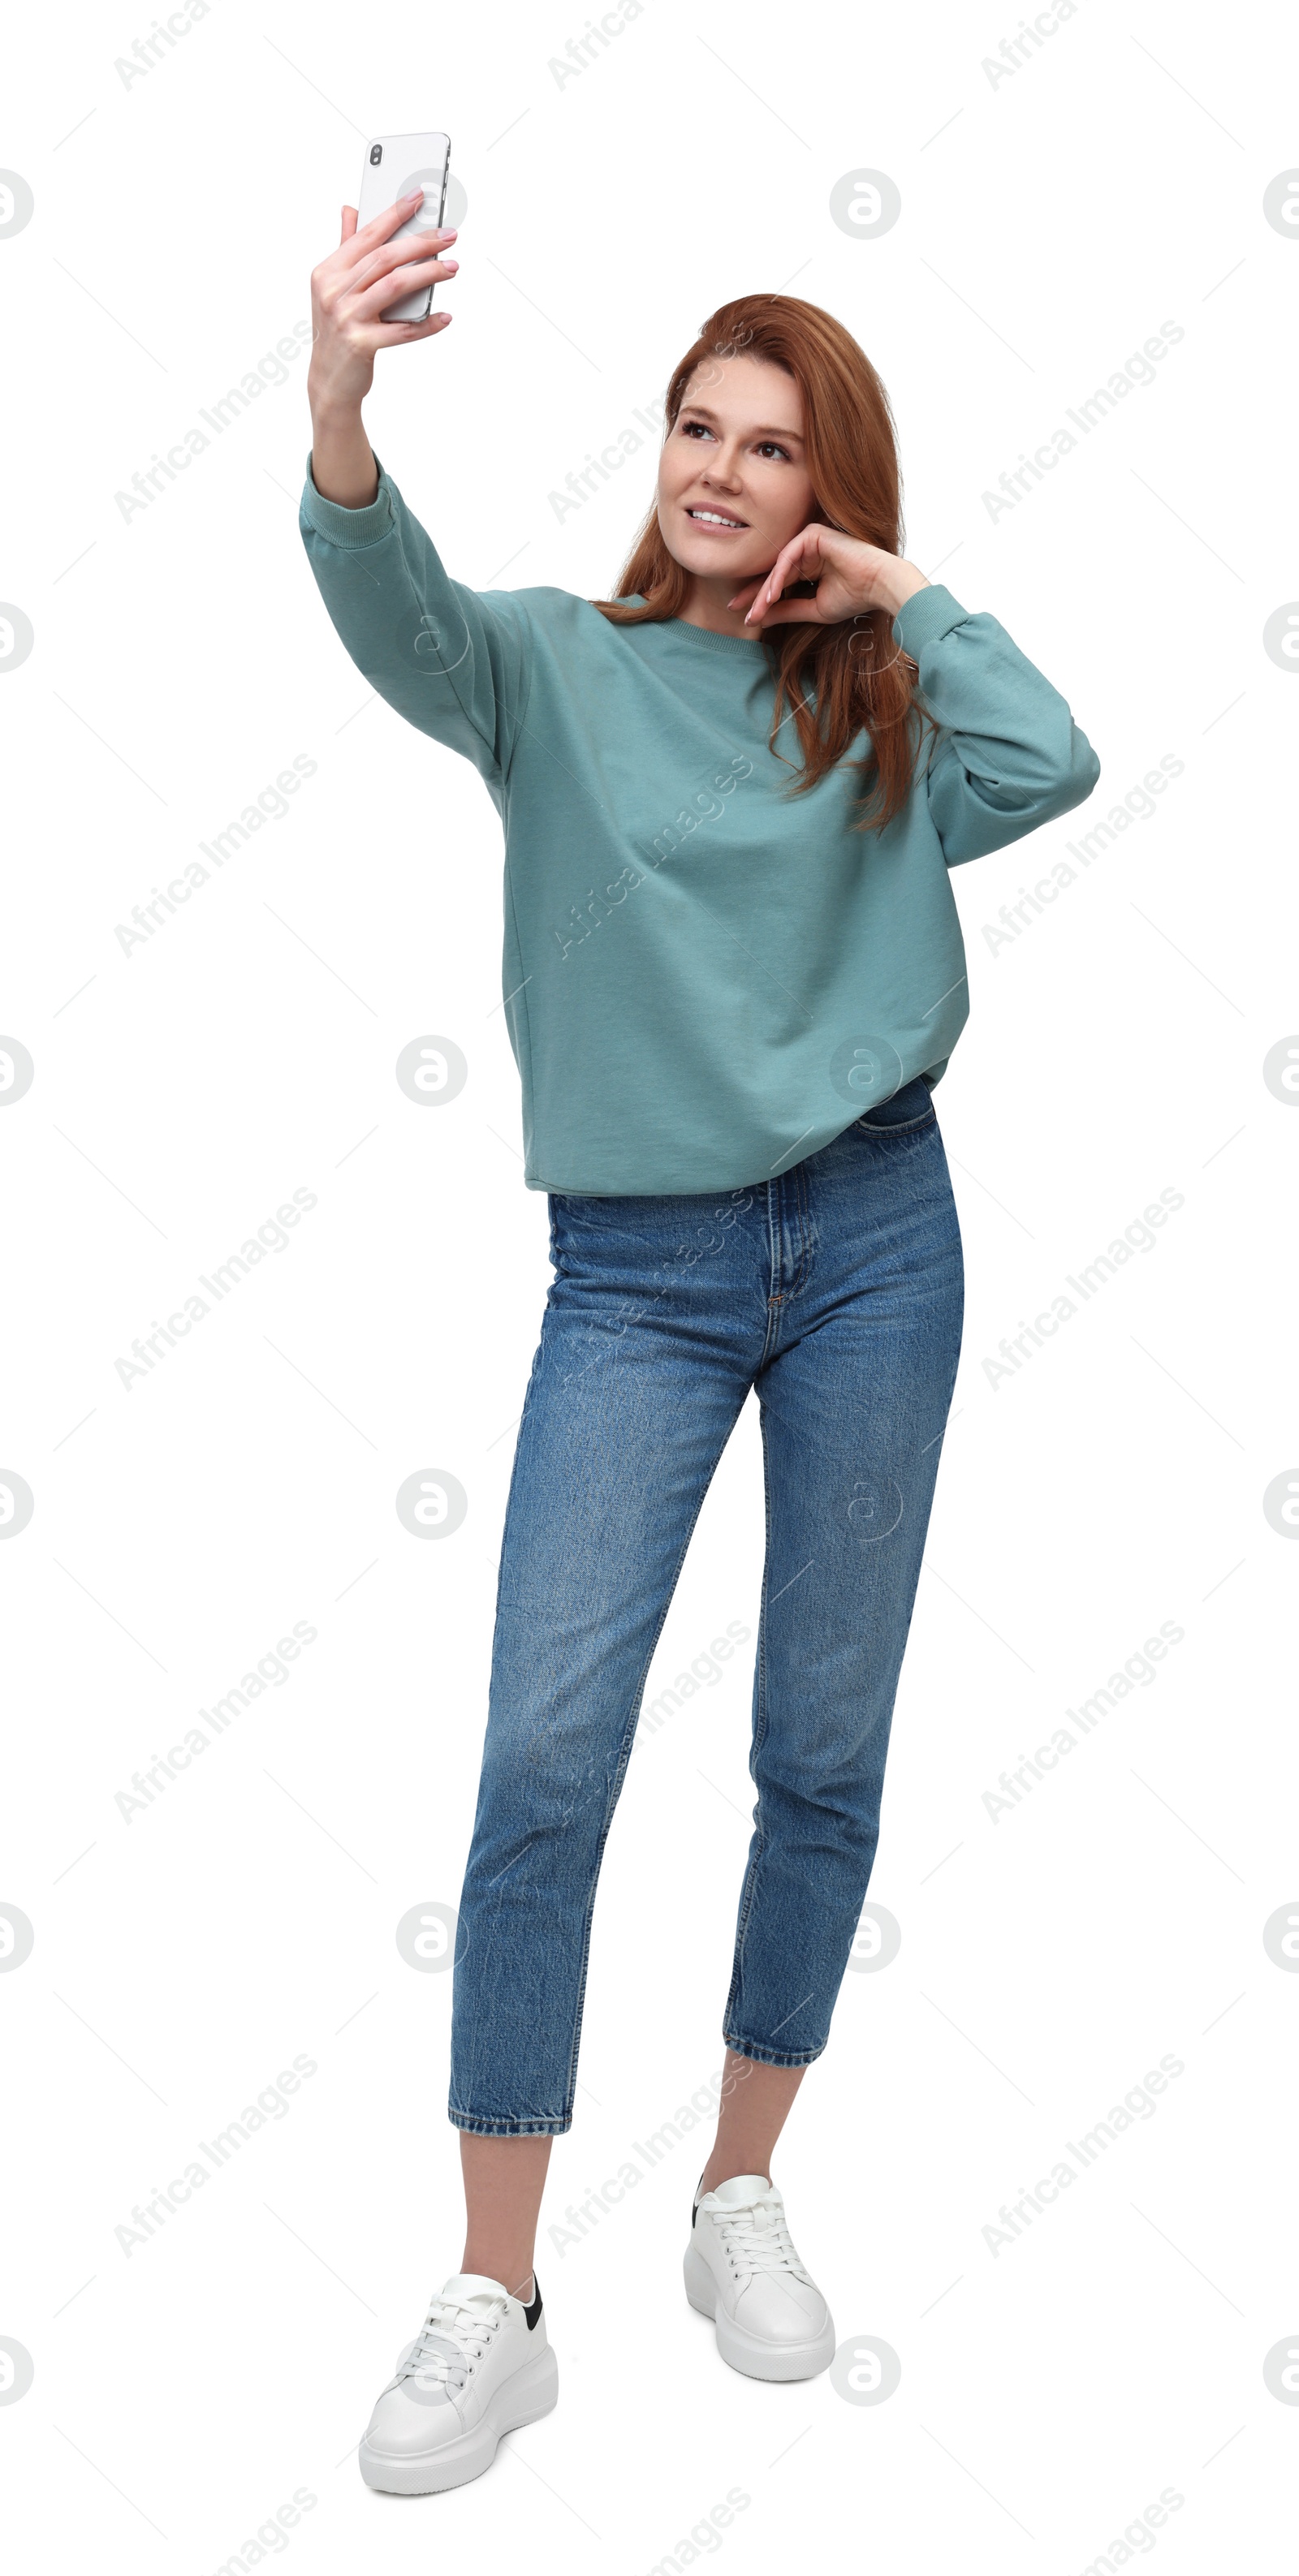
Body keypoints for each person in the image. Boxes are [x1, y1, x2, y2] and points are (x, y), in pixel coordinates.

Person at [300, 188, 1101, 2499]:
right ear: (660, 452)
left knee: (821, 1740)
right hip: (635, 1276)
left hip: (877, 1240)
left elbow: (1054, 770)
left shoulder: (883, 702)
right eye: (697, 426)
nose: (724, 468)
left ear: (827, 487)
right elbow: (389, 599)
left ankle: (741, 2183)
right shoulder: (548, 670)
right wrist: (344, 395)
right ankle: (498, 2286)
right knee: (546, 1750)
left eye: (775, 445)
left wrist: (915, 600)